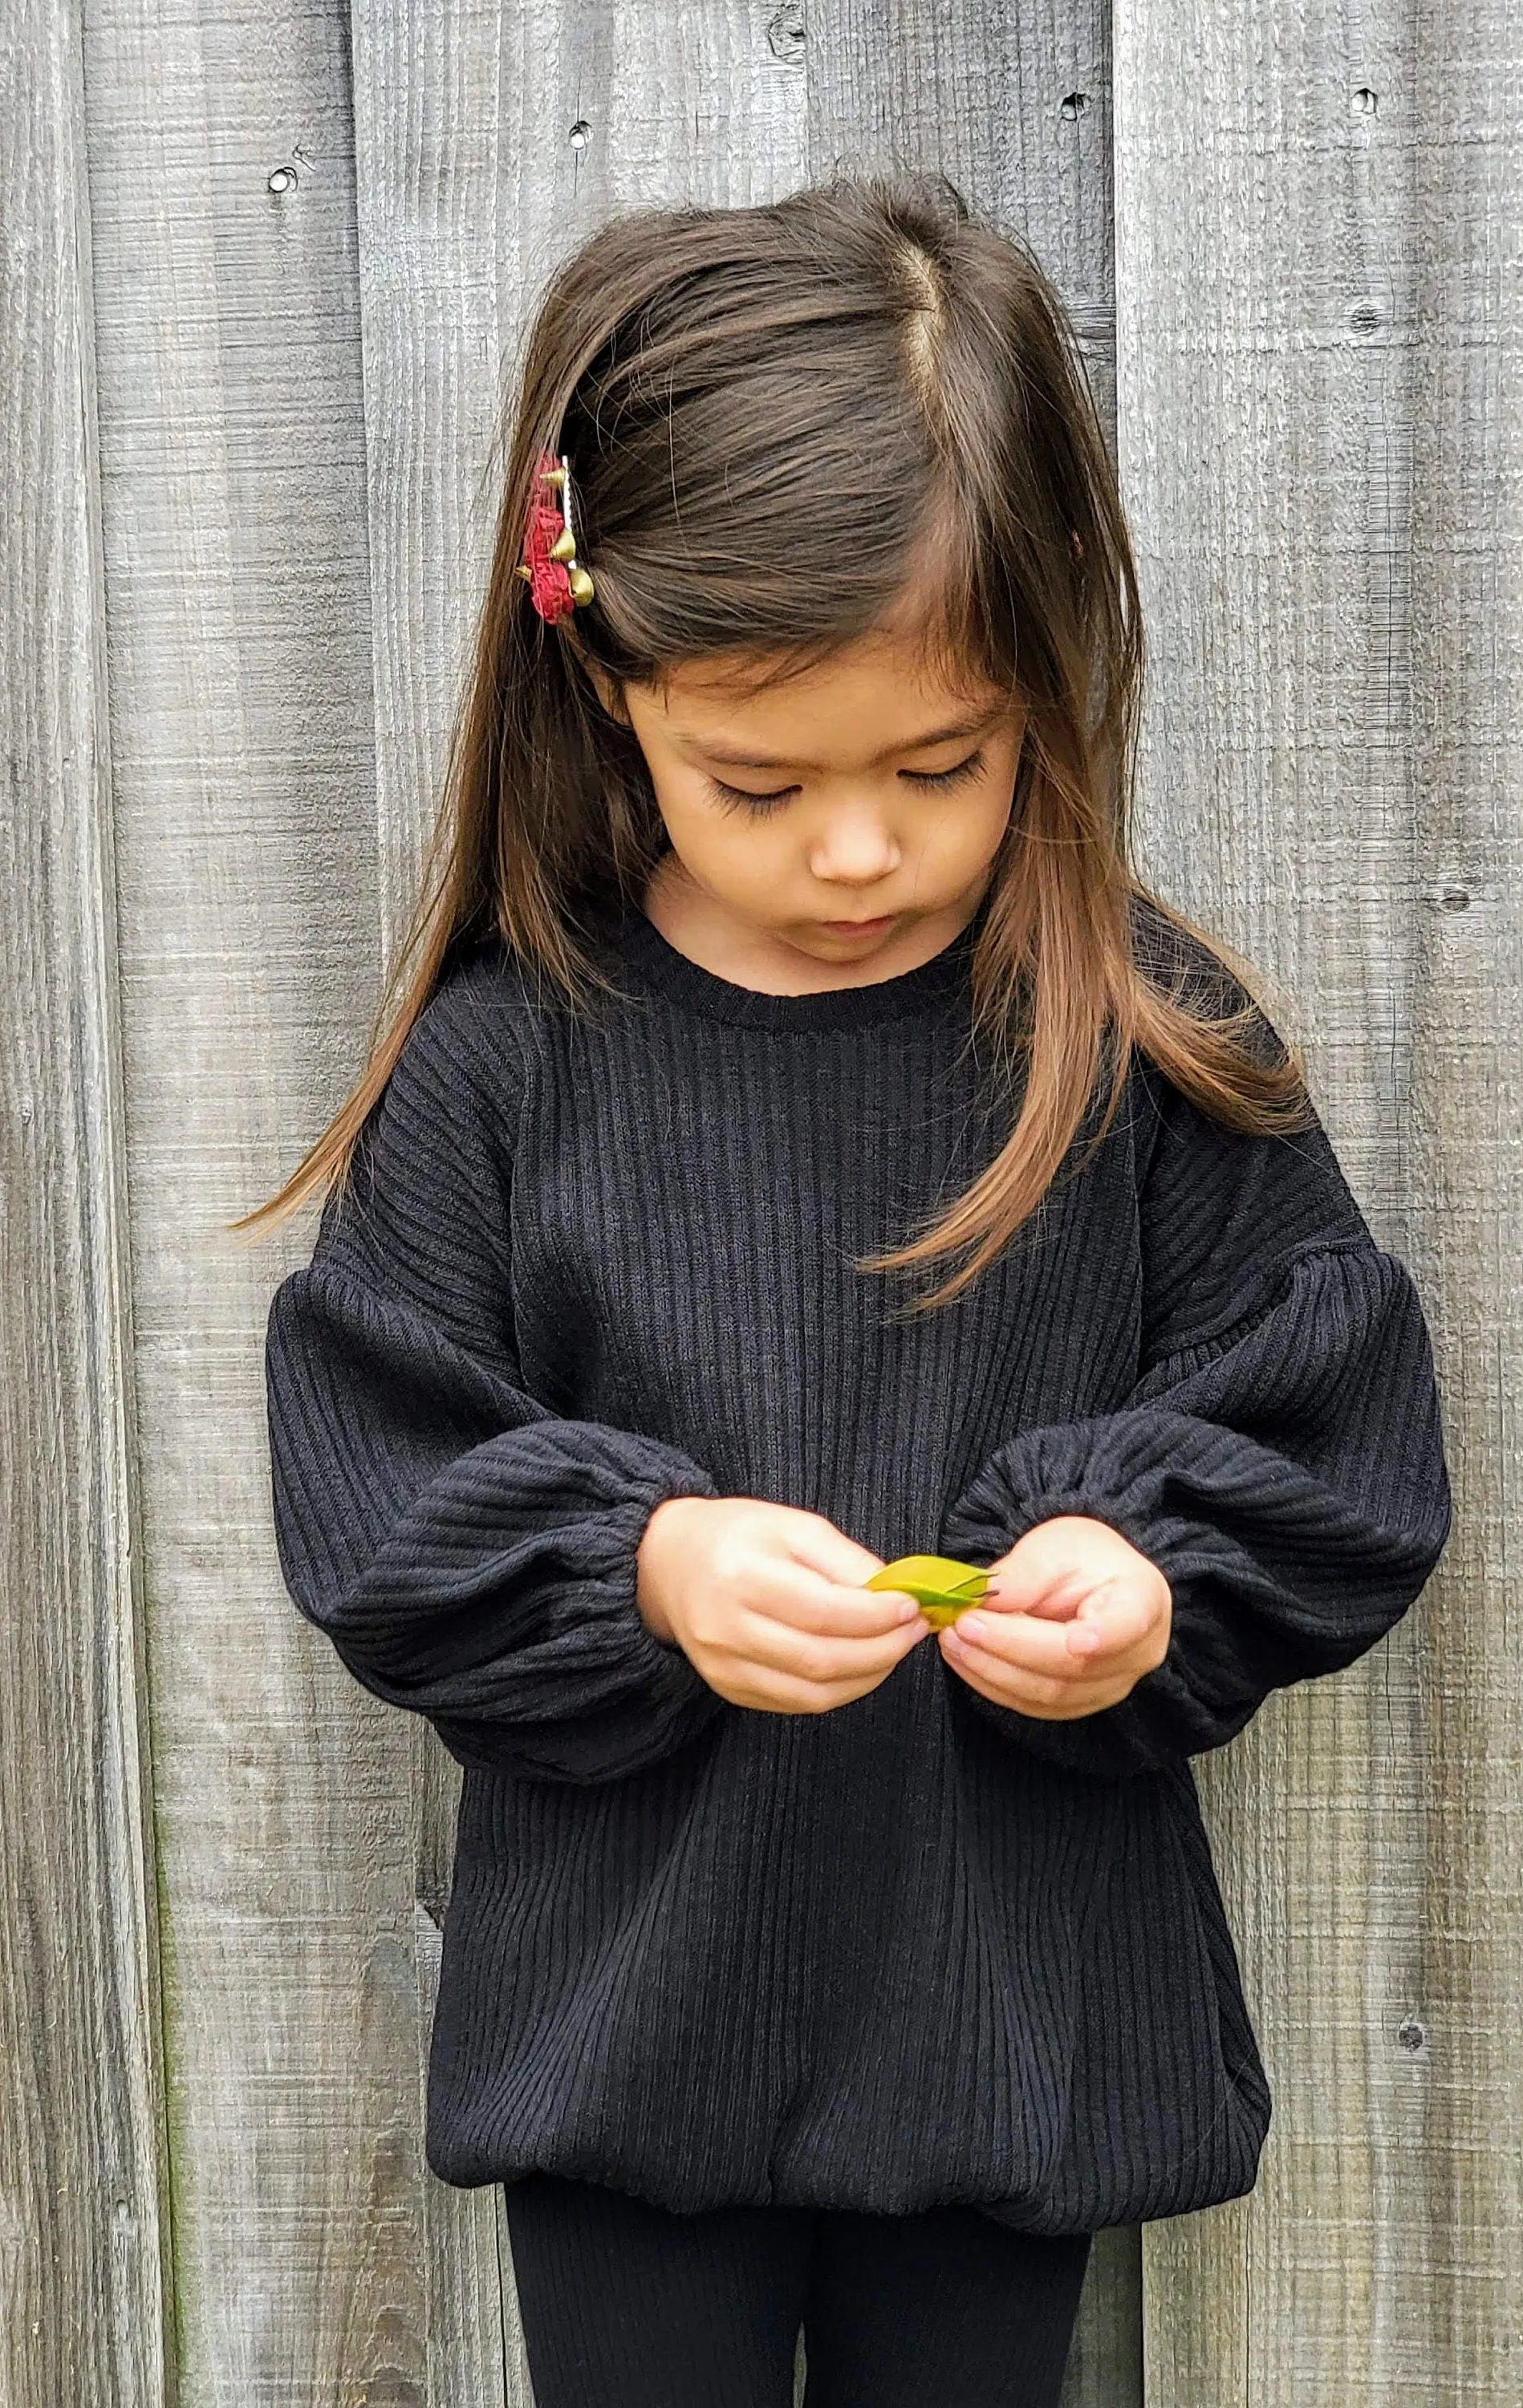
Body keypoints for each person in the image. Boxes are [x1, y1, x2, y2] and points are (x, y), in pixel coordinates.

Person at [251, 174, 1452, 2408]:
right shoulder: (511, 1066)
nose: (859, 850)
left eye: (942, 763)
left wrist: (1140, 1569)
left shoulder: (1140, 1041)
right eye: (758, 778)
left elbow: (1331, 1413)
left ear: (1053, 685)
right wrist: (645, 1564)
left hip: (1005, 2029)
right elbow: (373, 1472)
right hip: (628, 2033)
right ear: (600, 682)